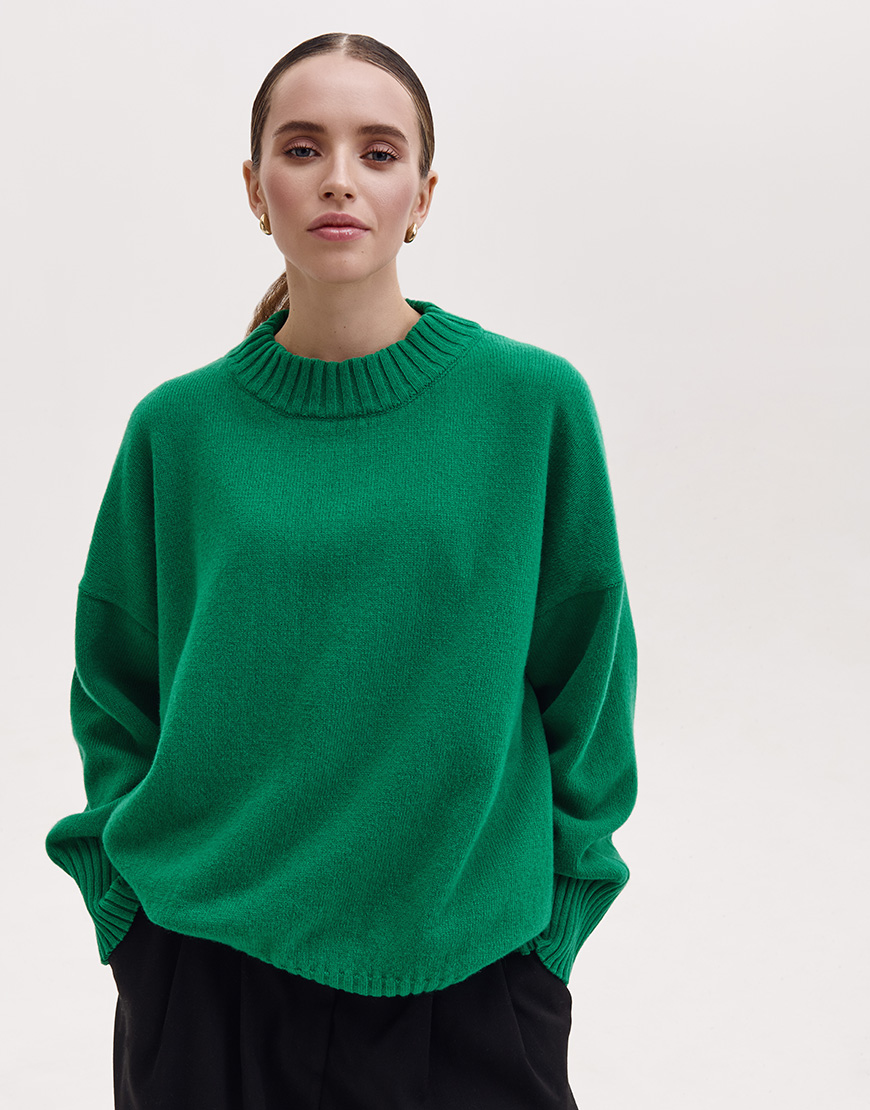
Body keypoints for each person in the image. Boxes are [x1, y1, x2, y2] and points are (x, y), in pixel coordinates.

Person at [45, 31, 638, 1110]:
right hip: (204, 971)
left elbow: (588, 687)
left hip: (471, 974)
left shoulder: (531, 407)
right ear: (254, 188)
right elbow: (114, 691)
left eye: (378, 151)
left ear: (422, 195)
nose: (338, 179)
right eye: (302, 147)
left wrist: (554, 928)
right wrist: (126, 915)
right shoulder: (177, 431)